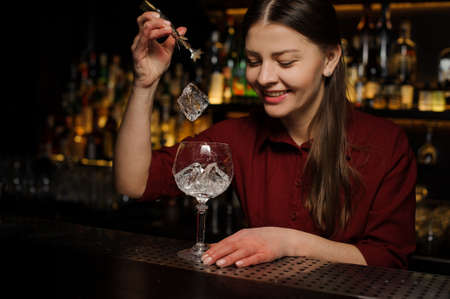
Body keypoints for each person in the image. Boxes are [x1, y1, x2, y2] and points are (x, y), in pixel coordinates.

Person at [115, 0, 416, 269]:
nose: (264, 78)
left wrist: (287, 243)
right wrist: (145, 83)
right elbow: (133, 182)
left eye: (285, 62)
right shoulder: (238, 136)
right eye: (254, 61)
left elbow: (389, 260)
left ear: (330, 59)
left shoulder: (386, 144)